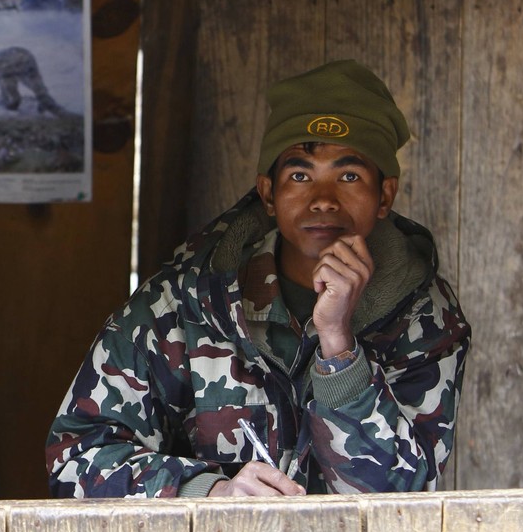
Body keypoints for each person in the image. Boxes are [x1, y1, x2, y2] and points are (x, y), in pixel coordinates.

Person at [47, 59, 469, 497]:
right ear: (268, 193)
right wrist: (208, 493)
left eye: (349, 175)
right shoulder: (182, 303)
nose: (323, 200)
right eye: (300, 175)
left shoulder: (425, 317)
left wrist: (338, 345)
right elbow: (76, 456)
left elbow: (401, 497)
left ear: (384, 195)